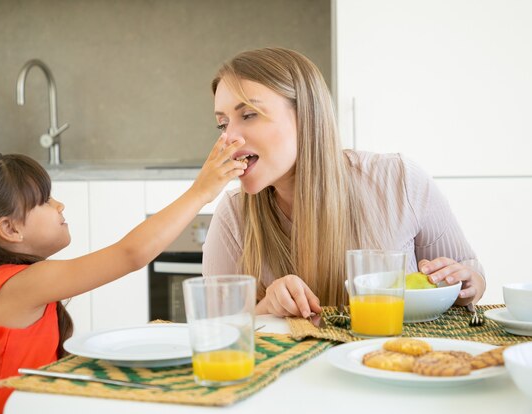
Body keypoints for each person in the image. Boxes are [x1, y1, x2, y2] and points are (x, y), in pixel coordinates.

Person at [0, 140, 247, 414]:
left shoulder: (8, 285)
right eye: (45, 200)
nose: (59, 204)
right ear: (10, 228)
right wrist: (201, 192)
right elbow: (130, 254)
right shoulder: (18, 286)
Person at [202, 47, 486, 319]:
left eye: (249, 115)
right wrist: (265, 307)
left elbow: (470, 271)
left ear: (306, 116)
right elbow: (217, 328)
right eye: (223, 123)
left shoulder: (399, 180)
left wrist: (466, 283)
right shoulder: (233, 215)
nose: (227, 138)